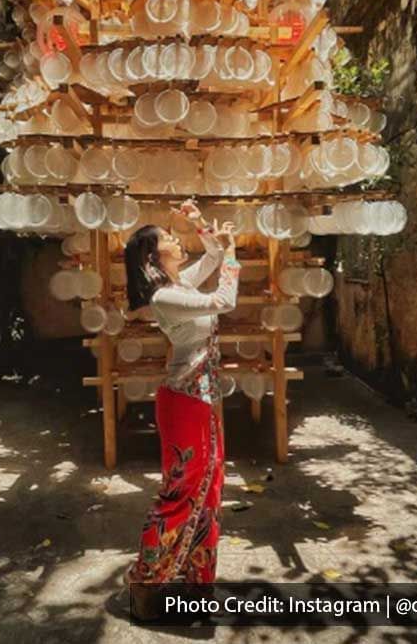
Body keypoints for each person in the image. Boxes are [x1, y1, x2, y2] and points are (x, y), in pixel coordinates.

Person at [121, 200, 240, 617]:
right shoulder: (166, 296)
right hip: (184, 401)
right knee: (179, 495)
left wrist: (201, 224)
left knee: (209, 493)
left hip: (202, 400)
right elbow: (224, 299)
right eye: (169, 237)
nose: (177, 240)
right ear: (153, 257)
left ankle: (196, 585)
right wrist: (235, 257)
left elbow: (212, 256)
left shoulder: (181, 284)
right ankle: (147, 585)